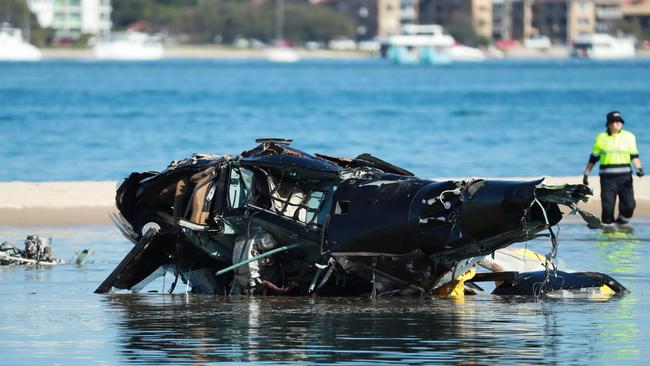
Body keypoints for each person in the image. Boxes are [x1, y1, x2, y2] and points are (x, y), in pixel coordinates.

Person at [583, 111, 644, 228]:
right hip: (607, 179)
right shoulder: (601, 138)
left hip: (625, 177)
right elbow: (593, 158)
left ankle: (622, 223)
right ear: (608, 124)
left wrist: (639, 168)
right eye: (615, 121)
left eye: (620, 121)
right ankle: (607, 236)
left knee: (629, 205)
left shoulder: (629, 136)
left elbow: (634, 156)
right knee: (607, 208)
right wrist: (586, 174)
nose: (618, 123)